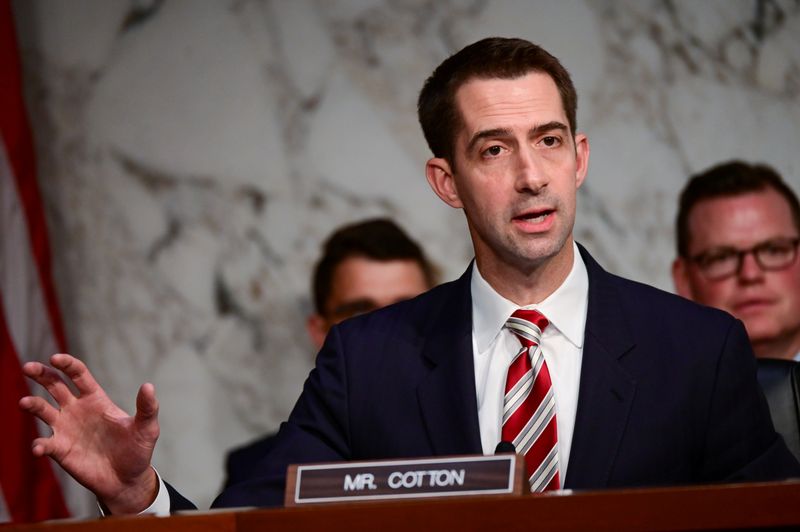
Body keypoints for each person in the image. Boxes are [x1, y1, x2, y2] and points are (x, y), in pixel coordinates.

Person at [20, 37, 800, 516]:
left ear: (581, 157)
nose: (532, 175)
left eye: (550, 141)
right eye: (495, 149)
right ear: (445, 181)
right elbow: (251, 525)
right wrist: (138, 496)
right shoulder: (369, 360)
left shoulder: (698, 350)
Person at [224, 218, 435, 488]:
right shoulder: (257, 472)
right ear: (320, 331)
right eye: (361, 313)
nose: (386, 331)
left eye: (407, 310)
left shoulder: (479, 440)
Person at [672, 161, 800, 361]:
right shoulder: (651, 389)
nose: (750, 274)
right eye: (722, 257)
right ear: (684, 279)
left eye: (773, 250)